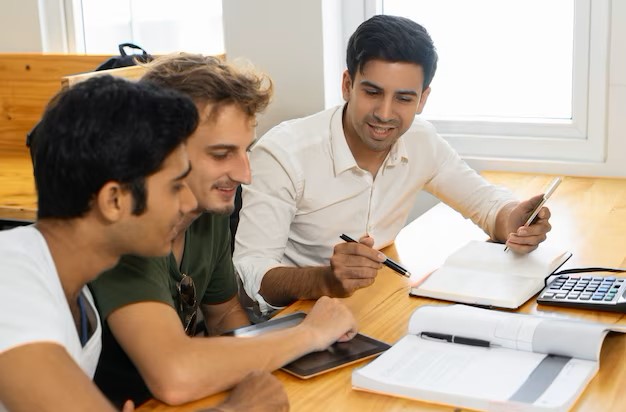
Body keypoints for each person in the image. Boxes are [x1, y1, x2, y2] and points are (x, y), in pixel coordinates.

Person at [233, 15, 553, 317]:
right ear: (348, 85)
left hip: (372, 308)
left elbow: (487, 205)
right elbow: (248, 276)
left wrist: (516, 222)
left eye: (403, 98)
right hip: (294, 319)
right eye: (373, 92)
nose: (385, 113)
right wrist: (324, 280)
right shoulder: (283, 154)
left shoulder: (421, 140)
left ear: (423, 99)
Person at [89, 53, 357, 408]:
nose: (245, 174)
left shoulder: (209, 210)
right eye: (221, 154)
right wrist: (309, 334)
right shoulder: (127, 229)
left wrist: (269, 365)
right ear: (161, 151)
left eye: (246, 151)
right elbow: (174, 376)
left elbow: (224, 314)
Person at [0, 75, 198, 411]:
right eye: (176, 186)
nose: (190, 202)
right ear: (114, 200)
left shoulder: (79, 297)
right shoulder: (12, 277)